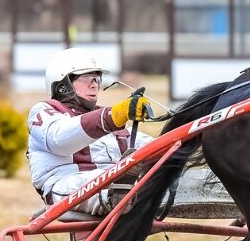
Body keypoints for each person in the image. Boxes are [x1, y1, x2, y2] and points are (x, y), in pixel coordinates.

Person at [27, 47, 155, 215]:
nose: (95, 84)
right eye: (87, 77)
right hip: (64, 186)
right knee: (109, 182)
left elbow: (152, 146)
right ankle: (119, 193)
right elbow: (60, 140)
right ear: (63, 84)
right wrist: (113, 116)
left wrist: (189, 136)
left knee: (161, 167)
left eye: (97, 78)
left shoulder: (106, 119)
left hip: (111, 179)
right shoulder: (44, 111)